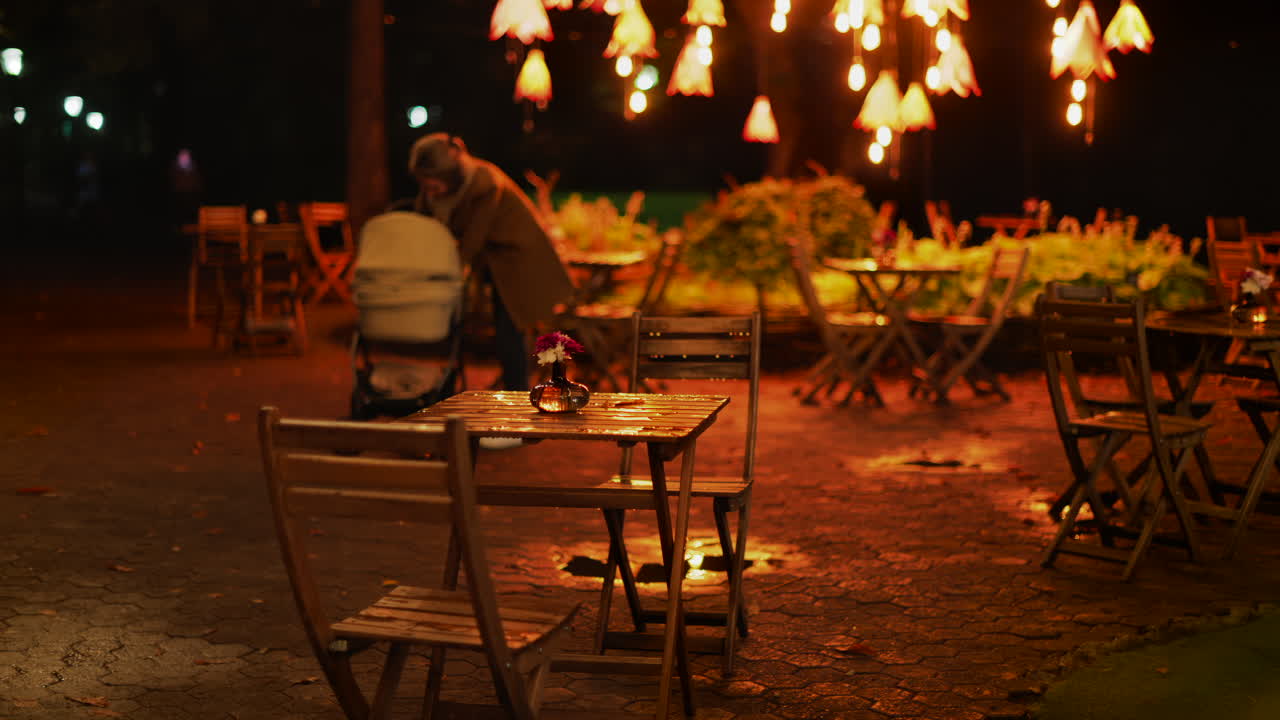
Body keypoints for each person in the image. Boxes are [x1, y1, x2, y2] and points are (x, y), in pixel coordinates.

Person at [405, 133, 574, 392]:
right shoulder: (440, 188)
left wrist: (444, 272)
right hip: (494, 259)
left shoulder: (484, 183)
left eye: (433, 184)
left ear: (450, 174)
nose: (429, 190)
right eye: (423, 184)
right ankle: (473, 389)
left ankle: (517, 396)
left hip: (519, 257)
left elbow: (473, 239)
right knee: (491, 325)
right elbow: (422, 220)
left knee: (511, 327)